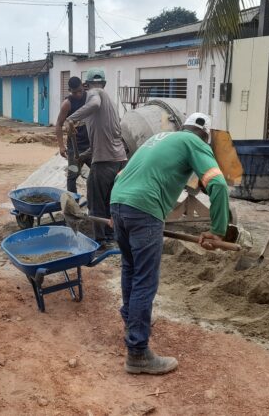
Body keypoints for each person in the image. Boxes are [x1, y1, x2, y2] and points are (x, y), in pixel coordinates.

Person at [109, 113, 229, 375]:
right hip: (145, 209)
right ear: (205, 138)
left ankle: (132, 323)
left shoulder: (158, 139)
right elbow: (218, 184)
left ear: (183, 126)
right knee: (145, 280)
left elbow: (121, 175)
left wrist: (117, 214)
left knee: (130, 269)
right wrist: (218, 230)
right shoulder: (193, 142)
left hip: (119, 202)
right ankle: (138, 353)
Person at [65, 68, 127, 243]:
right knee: (109, 201)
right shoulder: (111, 104)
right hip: (120, 160)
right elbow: (103, 140)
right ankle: (110, 235)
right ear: (105, 83)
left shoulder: (95, 94)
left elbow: (94, 104)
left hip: (105, 162)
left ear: (86, 86)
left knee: (95, 202)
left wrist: (72, 119)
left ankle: (99, 241)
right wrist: (82, 156)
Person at [55, 76, 91, 193]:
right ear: (70, 91)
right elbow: (59, 124)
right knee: (72, 175)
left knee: (98, 173)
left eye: (80, 91)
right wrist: (61, 146)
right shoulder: (67, 104)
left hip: (91, 147)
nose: (79, 94)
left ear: (83, 86)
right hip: (74, 150)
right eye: (75, 92)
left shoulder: (90, 98)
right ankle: (73, 204)